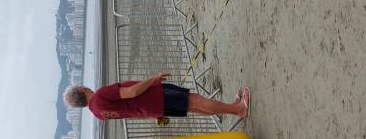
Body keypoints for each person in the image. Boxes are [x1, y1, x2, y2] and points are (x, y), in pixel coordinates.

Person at [64, 72, 250, 121]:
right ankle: (238, 109)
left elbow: (127, 112)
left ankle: (232, 108)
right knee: (195, 100)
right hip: (154, 97)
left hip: (151, 109)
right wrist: (153, 79)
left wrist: (153, 115)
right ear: (82, 90)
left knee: (193, 107)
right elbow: (132, 92)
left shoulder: (97, 113)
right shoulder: (100, 96)